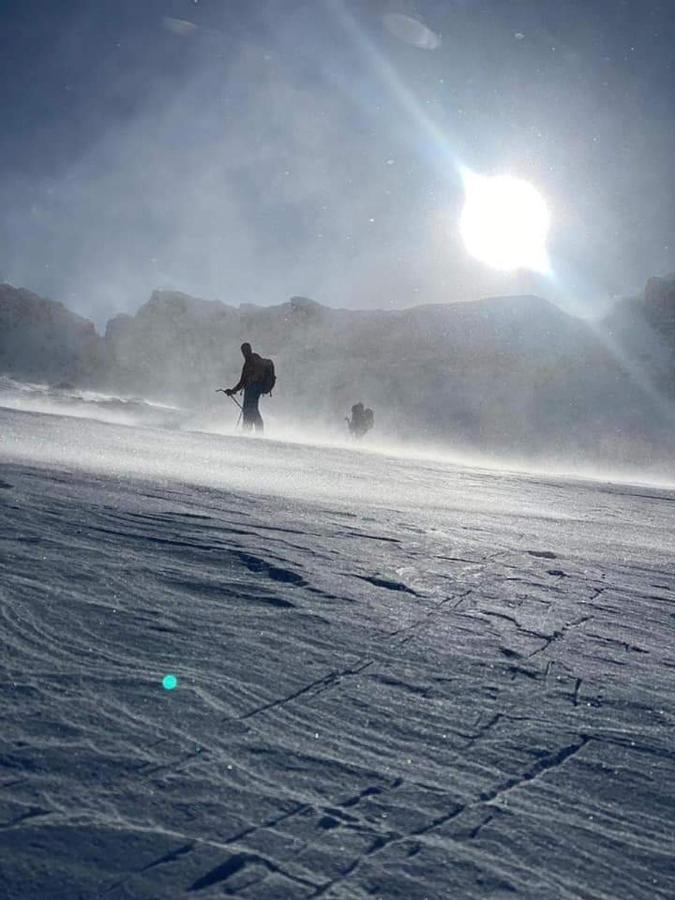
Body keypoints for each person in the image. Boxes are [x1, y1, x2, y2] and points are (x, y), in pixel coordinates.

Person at [224, 342, 274, 433]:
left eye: (244, 351)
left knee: (249, 410)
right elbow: (243, 381)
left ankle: (248, 431)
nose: (244, 353)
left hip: (252, 389)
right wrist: (233, 390)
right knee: (252, 409)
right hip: (257, 389)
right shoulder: (257, 360)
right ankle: (255, 431)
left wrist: (232, 391)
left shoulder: (249, 363)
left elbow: (242, 382)